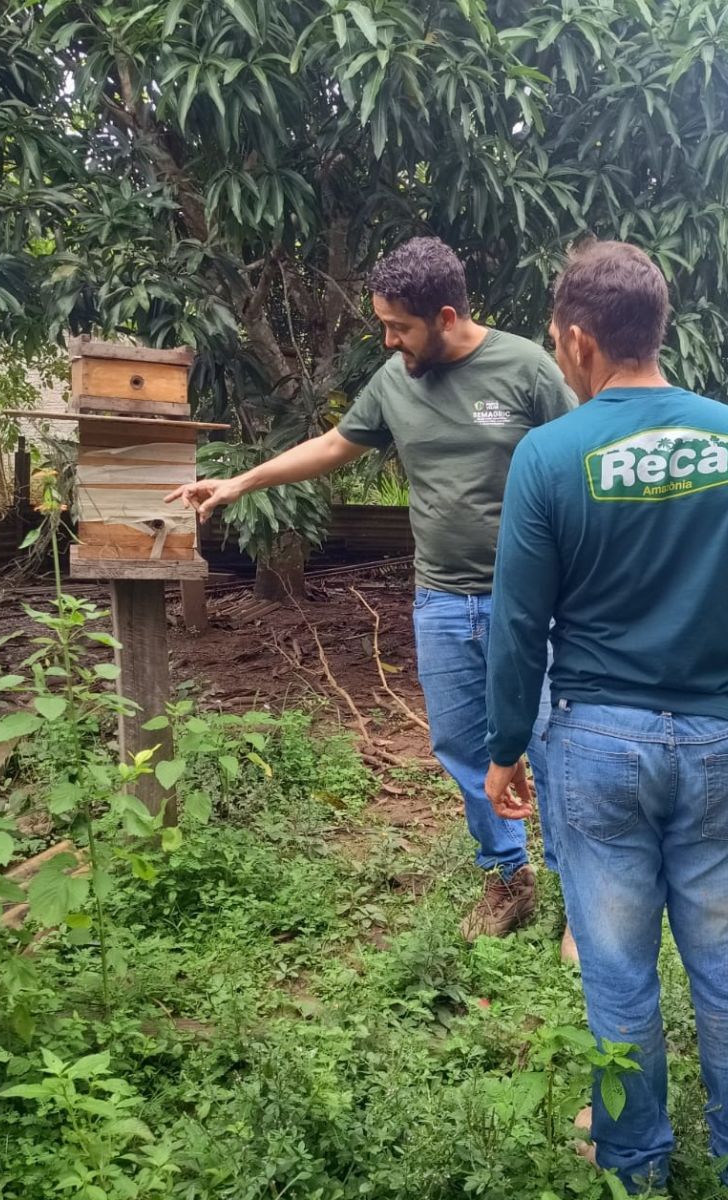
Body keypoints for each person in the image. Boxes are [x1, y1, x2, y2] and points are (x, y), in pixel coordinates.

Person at [482, 241, 728, 1194]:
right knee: (726, 967)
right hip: (715, 745)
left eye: (556, 343)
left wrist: (505, 746)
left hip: (593, 746)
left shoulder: (549, 455)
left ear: (581, 340)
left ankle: (635, 1166)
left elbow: (518, 622)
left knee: (619, 974)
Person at [166, 237, 574, 941]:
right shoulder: (394, 380)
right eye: (382, 324)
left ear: (445, 316)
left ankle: (581, 891)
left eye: (398, 326)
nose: (387, 339)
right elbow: (335, 444)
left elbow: (580, 456)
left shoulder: (525, 367)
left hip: (530, 601)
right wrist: (242, 480)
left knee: (547, 740)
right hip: (441, 598)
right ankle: (508, 878)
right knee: (459, 746)